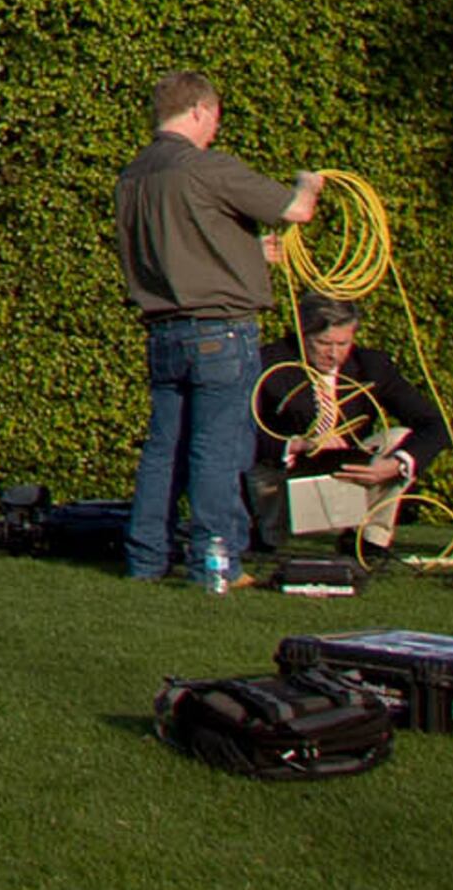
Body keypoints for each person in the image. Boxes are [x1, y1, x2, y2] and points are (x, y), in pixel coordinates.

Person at [111, 70, 318, 584]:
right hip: (221, 331)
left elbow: (185, 245)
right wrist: (309, 182)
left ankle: (146, 560)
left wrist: (250, 254)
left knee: (164, 450)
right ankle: (216, 561)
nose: (216, 131)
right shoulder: (206, 168)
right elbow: (296, 211)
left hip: (163, 330)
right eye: (215, 119)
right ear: (200, 110)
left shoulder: (134, 176)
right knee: (218, 447)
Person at [247, 295, 446, 554]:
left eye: (343, 344)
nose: (333, 354)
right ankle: (267, 535)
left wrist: (395, 465)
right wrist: (295, 445)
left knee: (398, 439)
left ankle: (368, 541)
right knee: (257, 462)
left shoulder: (371, 366)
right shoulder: (268, 363)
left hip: (347, 476)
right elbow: (236, 429)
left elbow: (434, 425)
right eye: (323, 343)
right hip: (285, 477)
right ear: (303, 334)